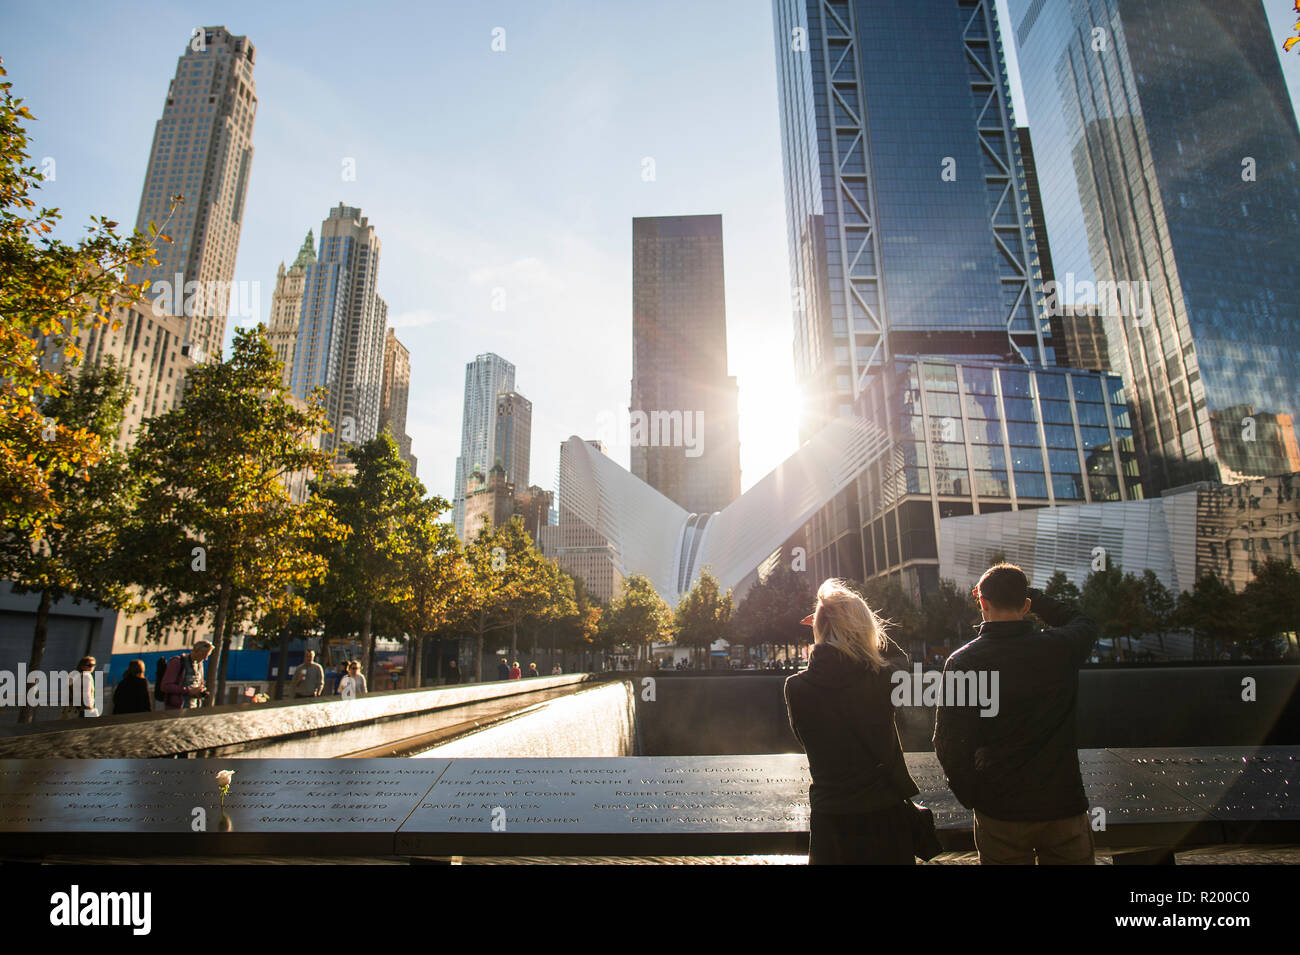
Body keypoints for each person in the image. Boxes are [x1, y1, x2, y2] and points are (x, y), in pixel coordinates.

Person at [933, 563, 1098, 865]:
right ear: (1026, 605)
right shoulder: (1061, 647)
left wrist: (974, 796)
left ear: (981, 602)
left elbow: (948, 745)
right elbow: (1081, 620)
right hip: (1063, 805)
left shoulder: (963, 662)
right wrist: (1027, 593)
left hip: (1001, 811)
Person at [784, 579, 919, 865]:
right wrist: (860, 627)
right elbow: (899, 658)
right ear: (864, 628)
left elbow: (803, 738)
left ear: (818, 628)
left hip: (830, 817)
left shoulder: (796, 688)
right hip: (883, 815)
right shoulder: (883, 678)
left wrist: (825, 629)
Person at [161, 640, 212, 710]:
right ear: (196, 651)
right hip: (176, 709)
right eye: (203, 655)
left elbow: (199, 684)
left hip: (193, 708)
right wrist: (188, 691)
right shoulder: (177, 662)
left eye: (207, 655)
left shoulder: (200, 665)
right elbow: (165, 686)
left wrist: (200, 692)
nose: (205, 659)